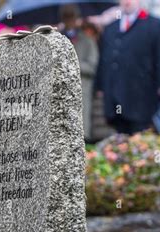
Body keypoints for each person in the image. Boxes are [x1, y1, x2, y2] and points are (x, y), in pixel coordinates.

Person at [98, 0, 160, 135]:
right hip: (115, 96)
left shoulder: (154, 25)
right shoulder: (111, 28)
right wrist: (101, 86)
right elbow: (104, 60)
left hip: (141, 97)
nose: (127, 2)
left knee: (140, 137)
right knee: (119, 138)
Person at [60, 5, 99, 142]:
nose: (69, 19)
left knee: (80, 135)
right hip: (59, 93)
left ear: (77, 18)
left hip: (81, 92)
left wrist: (72, 63)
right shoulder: (54, 40)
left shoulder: (87, 41)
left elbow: (92, 67)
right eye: (66, 16)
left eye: (72, 16)